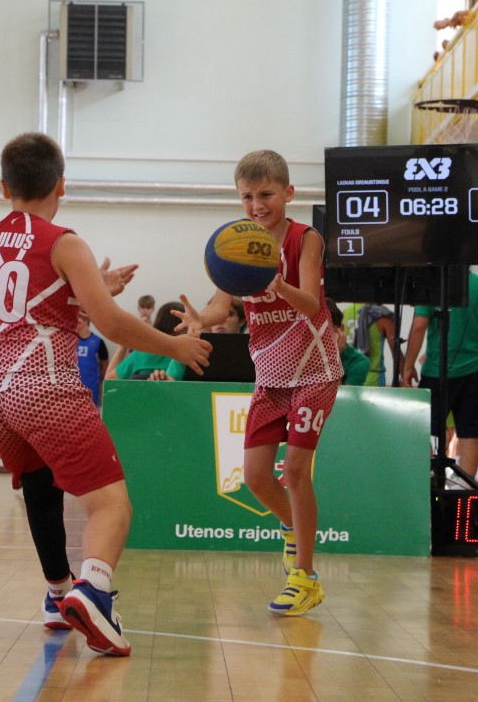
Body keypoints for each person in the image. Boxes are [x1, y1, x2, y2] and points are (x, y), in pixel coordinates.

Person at [0, 132, 210, 656]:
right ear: (62, 184)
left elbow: (25, 306)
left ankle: (58, 594)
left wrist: (89, 285)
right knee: (110, 505)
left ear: (3, 187)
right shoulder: (64, 242)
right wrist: (176, 346)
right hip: (41, 388)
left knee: (39, 482)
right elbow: (112, 325)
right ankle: (94, 590)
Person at [177, 149, 342, 618]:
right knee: (253, 476)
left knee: (295, 472)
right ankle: (293, 529)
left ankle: (305, 578)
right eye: (247, 197)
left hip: (314, 372)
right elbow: (221, 305)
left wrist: (276, 284)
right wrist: (201, 319)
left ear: (288, 193)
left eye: (266, 194)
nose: (256, 205)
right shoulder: (237, 243)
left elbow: (311, 304)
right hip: (270, 378)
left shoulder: (305, 238)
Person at [402, 270, 478, 476]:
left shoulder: (432, 286)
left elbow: (418, 327)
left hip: (436, 372)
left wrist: (408, 366)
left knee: (426, 432)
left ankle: (428, 485)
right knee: (469, 434)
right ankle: (467, 488)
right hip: (476, 372)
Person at [105, 302, 186, 381]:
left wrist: (123, 345)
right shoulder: (185, 354)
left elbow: (109, 380)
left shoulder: (139, 355)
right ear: (181, 328)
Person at [327, 300, 368, 385]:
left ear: (341, 329)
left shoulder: (357, 361)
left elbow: (337, 393)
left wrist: (335, 358)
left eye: (325, 330)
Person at [75, 311, 109, 407]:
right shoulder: (70, 341)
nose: (78, 319)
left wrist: (99, 380)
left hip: (92, 385)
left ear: (87, 319)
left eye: (81, 316)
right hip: (73, 385)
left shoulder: (98, 342)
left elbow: (105, 365)